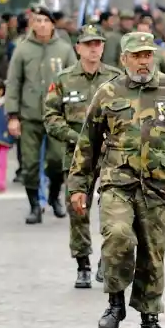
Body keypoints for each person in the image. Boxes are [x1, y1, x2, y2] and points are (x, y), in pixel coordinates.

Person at [67, 32, 165, 328]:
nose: (143, 61)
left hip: (159, 188)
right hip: (118, 183)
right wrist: (78, 186)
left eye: (147, 55)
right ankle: (115, 303)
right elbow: (87, 144)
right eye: (137, 55)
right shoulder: (108, 93)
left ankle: (150, 320)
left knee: (153, 253)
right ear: (124, 59)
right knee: (117, 236)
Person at [43, 24, 124, 289]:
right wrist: (75, 138)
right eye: (88, 44)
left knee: (115, 210)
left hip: (111, 155)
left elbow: (129, 115)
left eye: (97, 44)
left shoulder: (115, 79)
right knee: (78, 209)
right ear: (78, 48)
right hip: (78, 156)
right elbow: (51, 117)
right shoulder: (64, 79)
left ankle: (106, 258)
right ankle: (83, 264)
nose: (93, 49)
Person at [5, 5, 77, 224]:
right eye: (38, 21)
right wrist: (13, 116)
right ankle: (34, 205)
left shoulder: (64, 49)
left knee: (56, 161)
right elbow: (14, 82)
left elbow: (73, 82)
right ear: (32, 24)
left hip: (57, 116)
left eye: (46, 21)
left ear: (53, 24)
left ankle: (54, 197)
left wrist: (74, 114)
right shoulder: (23, 49)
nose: (42, 25)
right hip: (29, 115)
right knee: (30, 164)